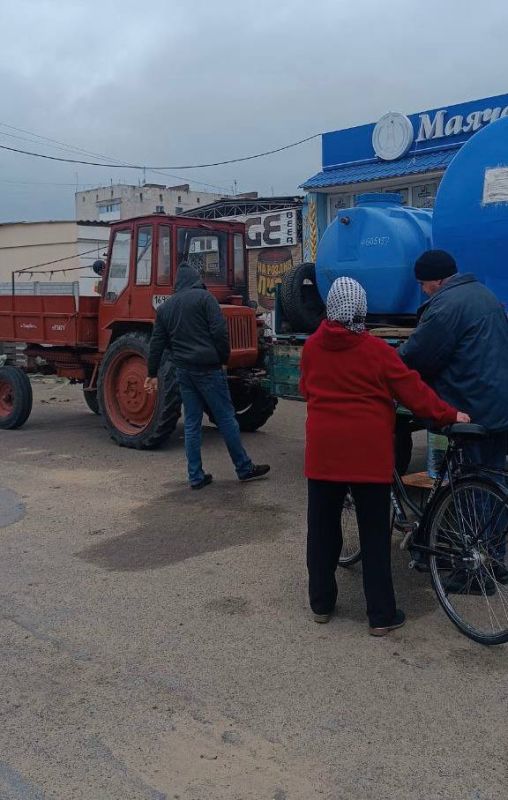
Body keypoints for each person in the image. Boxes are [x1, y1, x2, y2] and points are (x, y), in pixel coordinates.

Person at [299, 277, 467, 636]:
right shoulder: (376, 351)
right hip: (367, 455)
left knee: (322, 531)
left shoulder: (312, 347)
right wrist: (450, 415)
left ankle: (321, 604)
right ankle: (380, 615)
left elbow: (305, 388)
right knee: (374, 537)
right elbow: (414, 393)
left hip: (324, 453)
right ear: (361, 309)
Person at [398, 249, 508, 585]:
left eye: (423, 285)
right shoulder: (483, 294)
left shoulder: (446, 306)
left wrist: (384, 369)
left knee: (470, 486)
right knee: (493, 482)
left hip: (473, 409)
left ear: (437, 280)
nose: (423, 291)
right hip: (500, 407)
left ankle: (475, 571)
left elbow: (417, 355)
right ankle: (496, 559)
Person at [144, 262, 270, 489]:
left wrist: (152, 373)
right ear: (196, 279)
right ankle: (243, 467)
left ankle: (195, 476)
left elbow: (157, 344)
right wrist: (223, 358)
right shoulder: (205, 299)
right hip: (209, 369)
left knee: (192, 423)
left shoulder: (166, 308)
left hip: (184, 371)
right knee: (226, 419)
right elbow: (219, 331)